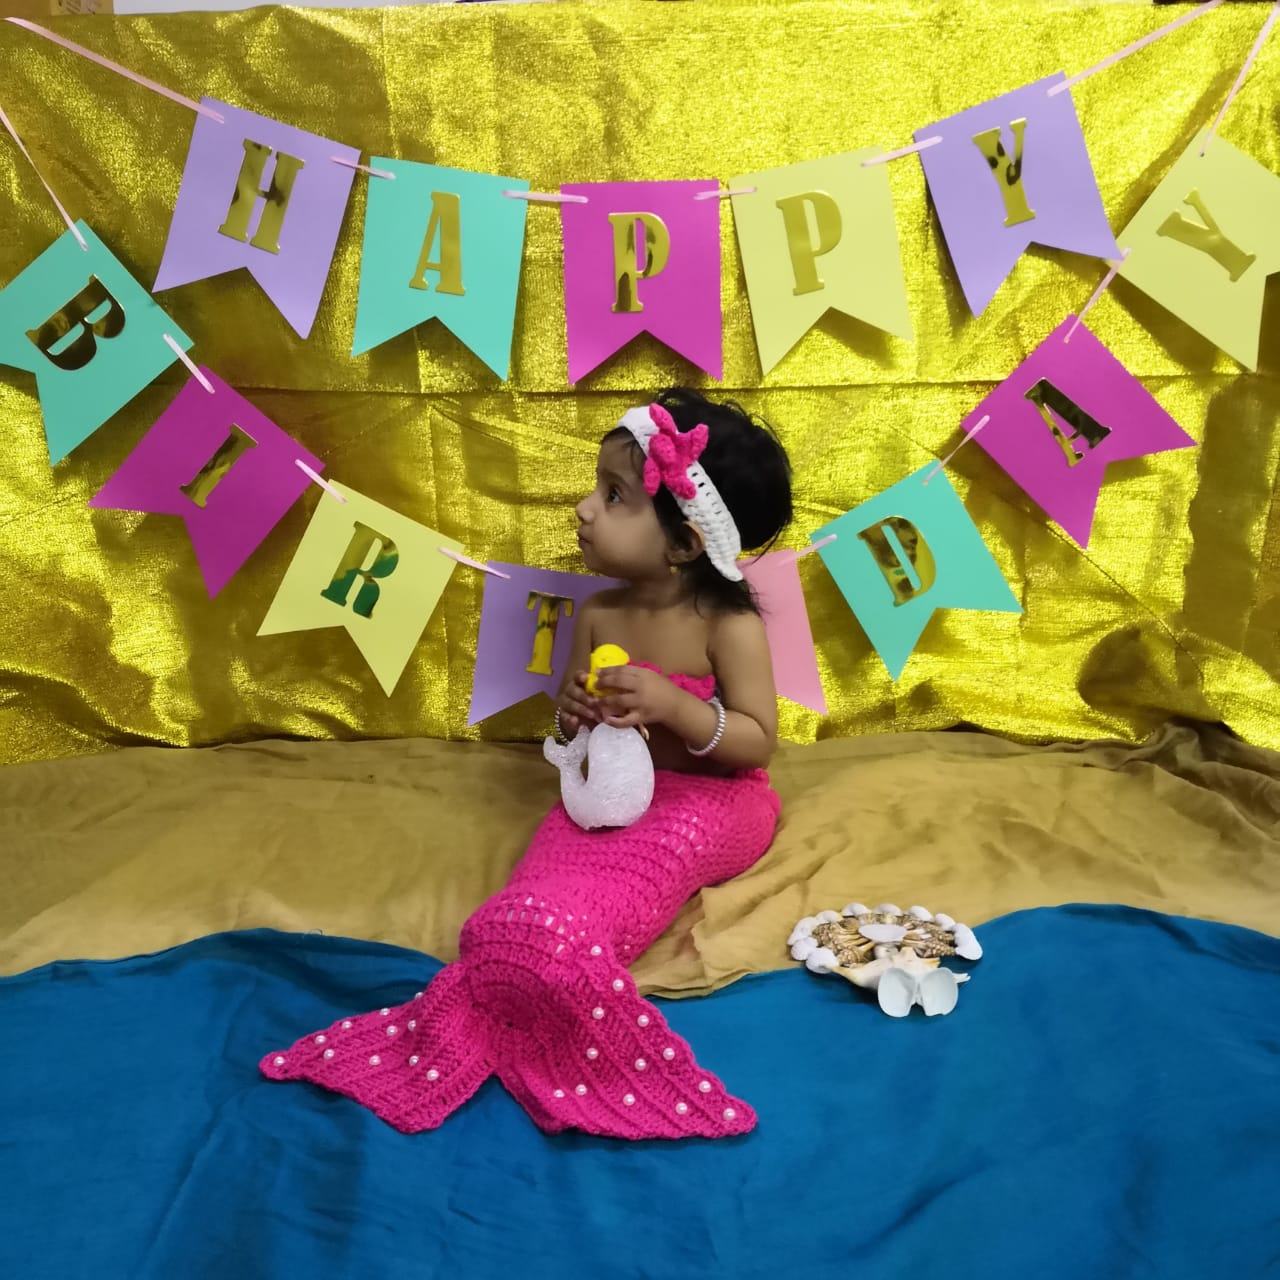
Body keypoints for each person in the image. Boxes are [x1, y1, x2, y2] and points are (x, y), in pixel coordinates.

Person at [261, 389, 794, 1141]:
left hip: (710, 801)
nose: (585, 508)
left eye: (614, 496)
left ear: (681, 544)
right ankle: (517, 952)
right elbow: (571, 726)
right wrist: (577, 712)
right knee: (525, 905)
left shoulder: (727, 624)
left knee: (621, 891)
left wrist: (676, 707)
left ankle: (563, 967)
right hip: (611, 795)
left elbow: (757, 741)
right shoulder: (600, 614)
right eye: (596, 487)